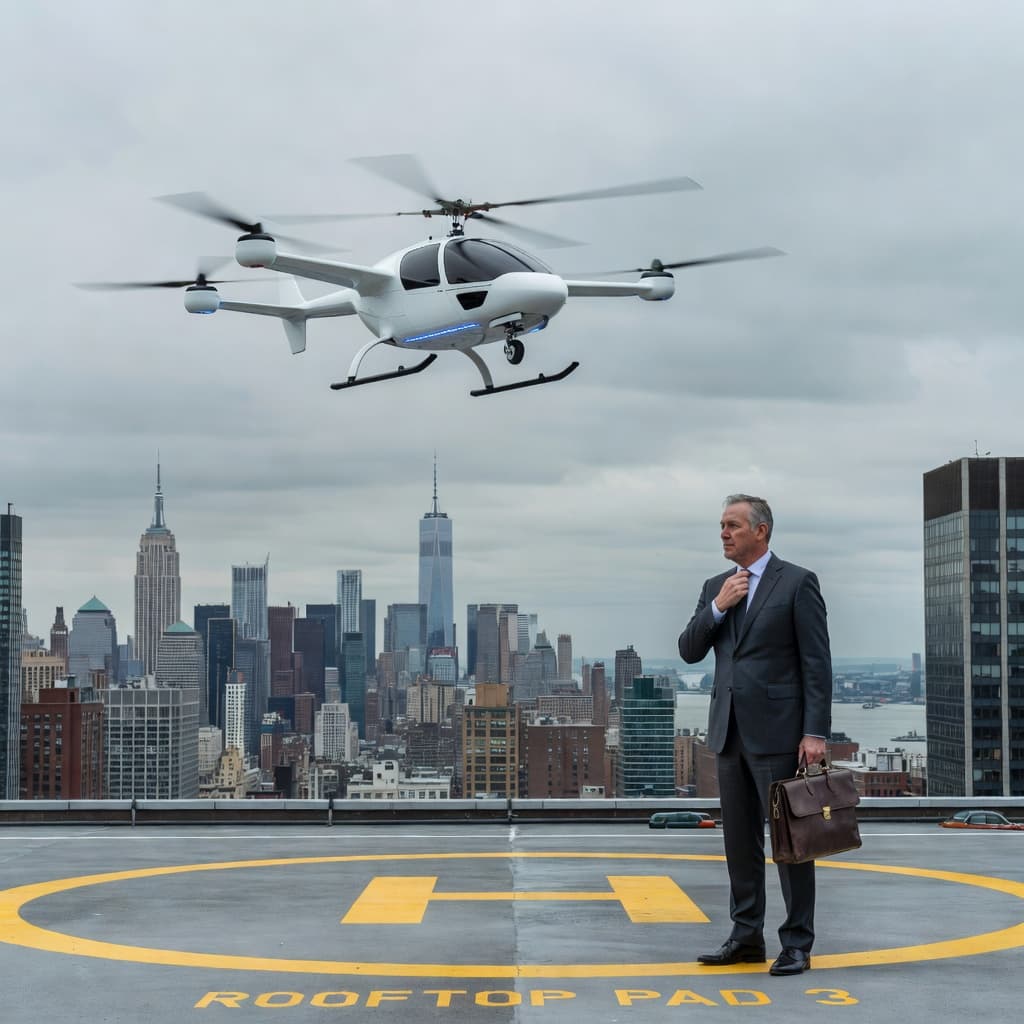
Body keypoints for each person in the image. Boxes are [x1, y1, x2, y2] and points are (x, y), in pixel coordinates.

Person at [678, 494, 831, 977]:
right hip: (729, 735)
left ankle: (797, 943)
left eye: (732, 525)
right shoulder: (714, 586)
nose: (723, 533)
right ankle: (746, 937)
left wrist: (815, 733)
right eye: (721, 525)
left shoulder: (798, 582)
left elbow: (816, 664)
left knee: (790, 843)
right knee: (739, 843)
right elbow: (688, 651)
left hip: (781, 736)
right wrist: (718, 608)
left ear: (760, 531)